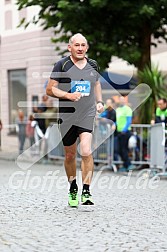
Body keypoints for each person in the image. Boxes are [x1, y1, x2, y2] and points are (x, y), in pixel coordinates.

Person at [46, 33, 104, 207]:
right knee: (70, 154)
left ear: (87, 47)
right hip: (67, 115)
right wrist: (68, 95)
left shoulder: (93, 64)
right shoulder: (61, 65)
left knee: (86, 150)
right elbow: (50, 90)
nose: (80, 48)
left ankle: (86, 191)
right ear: (69, 47)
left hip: (87, 113)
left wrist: (99, 101)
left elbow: (97, 84)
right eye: (76, 45)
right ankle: (73, 187)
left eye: (83, 45)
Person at [116, 96, 133, 172]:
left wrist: (124, 130)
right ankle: (126, 165)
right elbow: (117, 120)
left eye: (123, 100)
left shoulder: (128, 109)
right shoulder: (118, 109)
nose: (122, 101)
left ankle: (128, 165)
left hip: (125, 132)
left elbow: (128, 121)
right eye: (120, 100)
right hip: (119, 132)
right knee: (119, 149)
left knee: (124, 149)